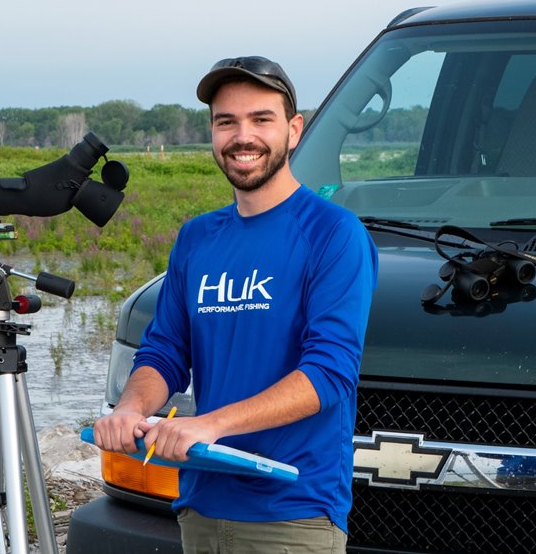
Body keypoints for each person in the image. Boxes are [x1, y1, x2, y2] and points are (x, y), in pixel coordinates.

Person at [92, 55, 377, 553]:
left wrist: (210, 424)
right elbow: (164, 353)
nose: (242, 137)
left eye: (261, 119)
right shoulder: (198, 238)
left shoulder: (334, 234)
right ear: (213, 133)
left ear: (293, 129)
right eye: (227, 122)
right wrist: (131, 407)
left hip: (291, 515)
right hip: (199, 507)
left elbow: (329, 374)